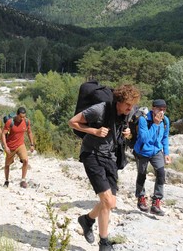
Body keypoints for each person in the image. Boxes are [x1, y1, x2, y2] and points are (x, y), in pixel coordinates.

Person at [68, 84, 139, 251]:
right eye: (128, 105)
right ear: (119, 102)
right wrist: (94, 131)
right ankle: (104, 243)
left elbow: (124, 132)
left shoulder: (127, 114)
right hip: (91, 154)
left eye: (133, 105)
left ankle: (87, 220)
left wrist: (127, 133)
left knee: (110, 202)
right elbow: (72, 122)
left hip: (110, 158)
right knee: (107, 201)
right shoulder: (100, 110)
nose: (131, 108)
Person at [133, 99, 171, 216]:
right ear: (153, 108)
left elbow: (165, 137)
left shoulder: (165, 120)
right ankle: (141, 198)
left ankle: (156, 202)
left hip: (156, 151)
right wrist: (155, 124)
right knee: (142, 175)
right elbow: (145, 138)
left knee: (161, 173)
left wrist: (166, 153)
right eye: (159, 109)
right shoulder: (143, 120)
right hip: (142, 151)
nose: (162, 112)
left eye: (164, 109)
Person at [1, 107, 35, 188]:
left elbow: (29, 132)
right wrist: (5, 146)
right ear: (17, 115)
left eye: (24, 117)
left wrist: (32, 144)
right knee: (7, 165)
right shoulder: (10, 122)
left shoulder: (26, 121)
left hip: (20, 145)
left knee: (26, 160)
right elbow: (3, 134)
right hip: (10, 146)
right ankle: (6, 181)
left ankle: (23, 180)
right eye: (21, 117)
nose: (22, 118)